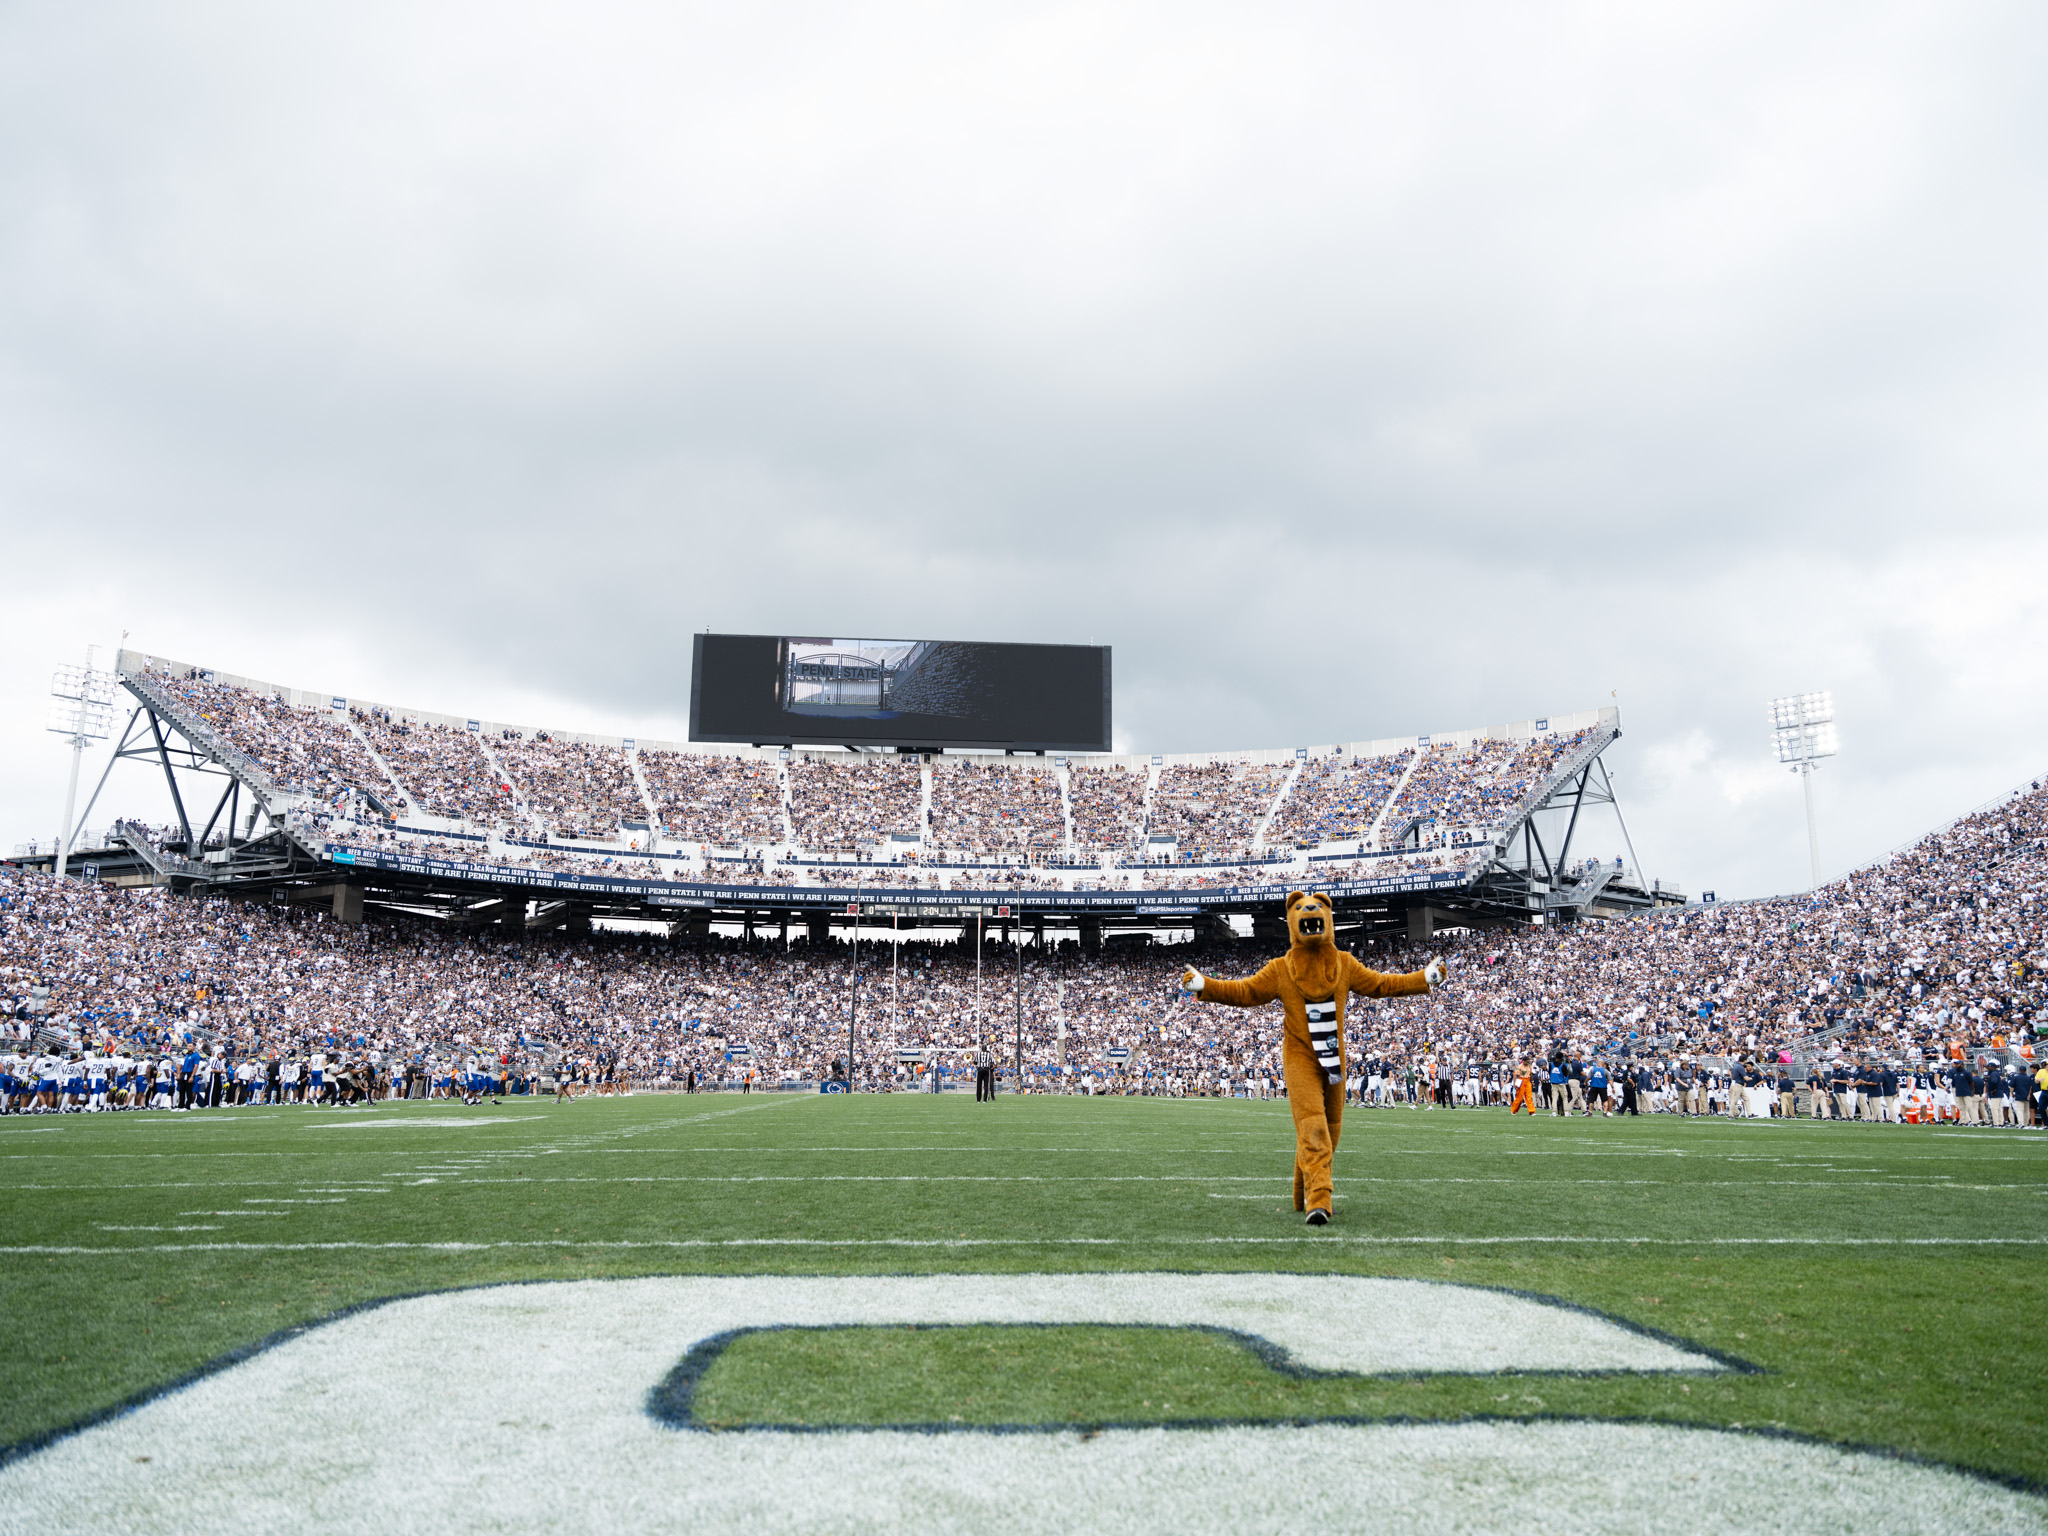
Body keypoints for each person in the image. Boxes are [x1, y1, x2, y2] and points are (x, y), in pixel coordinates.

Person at [1180, 890, 1443, 1227]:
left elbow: (1381, 984)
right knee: (1313, 1126)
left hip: (1335, 1058)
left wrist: (1423, 979)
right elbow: (1246, 992)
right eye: (1301, 908)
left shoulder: (1345, 964)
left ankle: (1299, 1191)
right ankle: (1318, 1202)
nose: (1309, 911)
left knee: (1328, 1132)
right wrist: (1208, 986)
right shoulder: (1280, 969)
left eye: (1316, 907)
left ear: (1328, 917)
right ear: (1291, 919)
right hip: (1300, 1056)